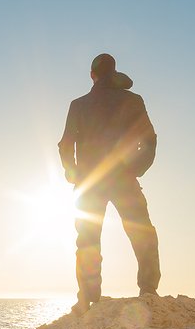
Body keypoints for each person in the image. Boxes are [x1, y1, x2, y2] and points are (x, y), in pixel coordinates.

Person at [58, 53, 160, 313]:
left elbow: (66, 144)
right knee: (142, 233)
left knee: (88, 239)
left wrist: (73, 174)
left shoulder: (79, 105)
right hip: (123, 176)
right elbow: (149, 139)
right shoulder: (132, 101)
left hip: (90, 181)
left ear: (92, 75)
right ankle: (148, 289)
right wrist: (138, 168)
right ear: (114, 73)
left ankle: (88, 297)